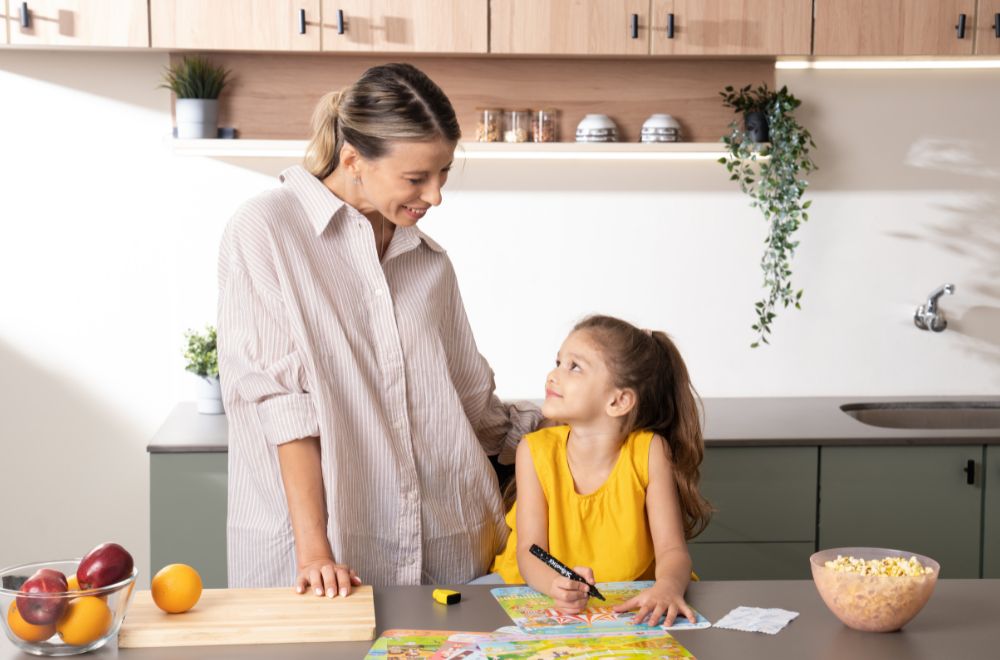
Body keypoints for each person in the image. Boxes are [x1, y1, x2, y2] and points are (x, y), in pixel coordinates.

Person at [217, 63, 541, 596]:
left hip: (449, 542)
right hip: (327, 557)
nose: (435, 196)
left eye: (442, 174)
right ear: (353, 160)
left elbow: (470, 404)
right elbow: (282, 406)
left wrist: (574, 421)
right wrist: (315, 551)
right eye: (416, 178)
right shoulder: (267, 230)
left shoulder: (428, 261)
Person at [491, 315, 712, 627]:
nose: (553, 375)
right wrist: (556, 585)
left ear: (618, 400)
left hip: (629, 605)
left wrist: (667, 587)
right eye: (557, 361)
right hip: (539, 593)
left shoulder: (649, 452)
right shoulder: (534, 450)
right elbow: (531, 552)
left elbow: (673, 550)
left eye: (574, 366)